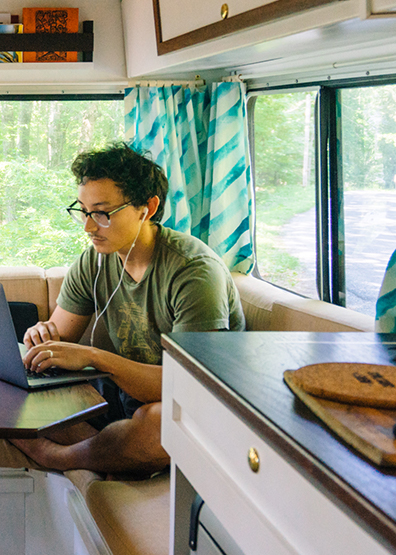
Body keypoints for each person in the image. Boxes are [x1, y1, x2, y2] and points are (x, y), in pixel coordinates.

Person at [13, 142, 244, 474]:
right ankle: (116, 453)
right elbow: (57, 338)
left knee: (158, 421)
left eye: (102, 213)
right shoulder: (94, 260)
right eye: (83, 210)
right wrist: (41, 338)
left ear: (146, 208)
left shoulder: (193, 271)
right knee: (22, 388)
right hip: (123, 404)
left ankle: (58, 457)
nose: (89, 227)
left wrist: (94, 357)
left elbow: (191, 387)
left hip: (191, 408)